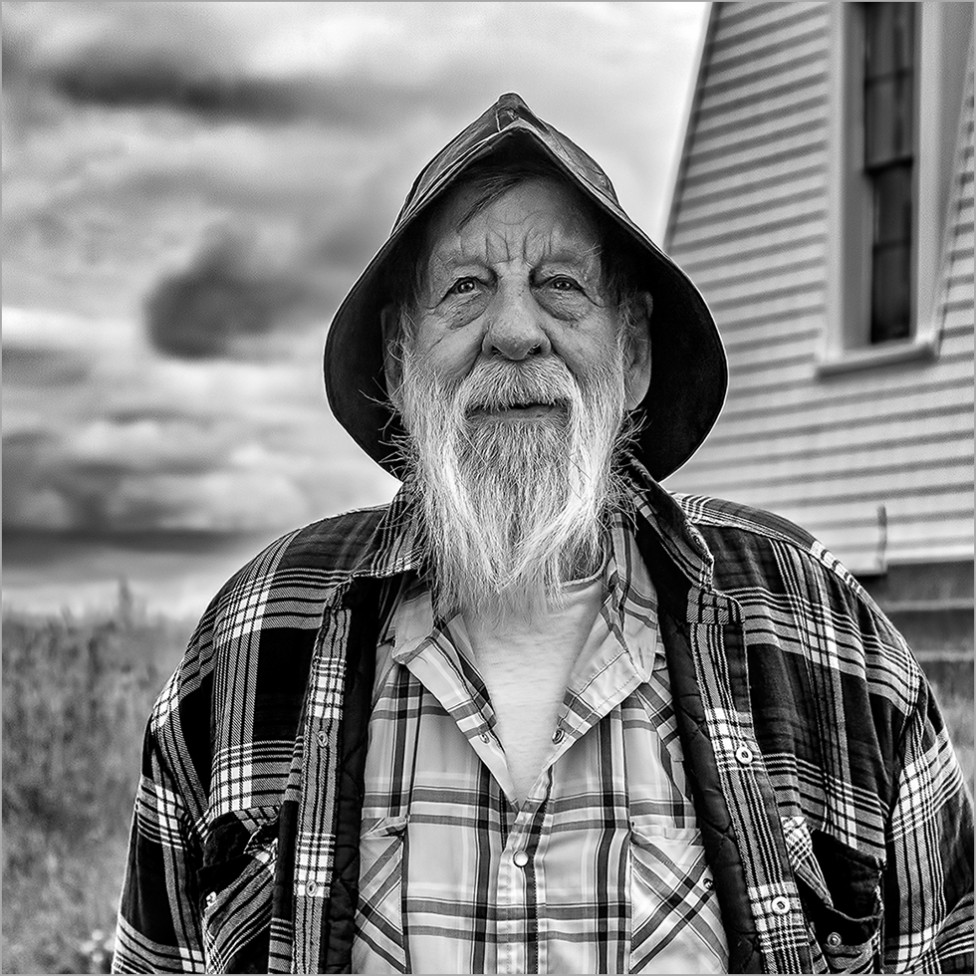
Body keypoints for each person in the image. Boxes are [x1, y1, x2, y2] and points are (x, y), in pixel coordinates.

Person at [112, 93, 973, 975]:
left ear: (632, 355)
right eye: (464, 289)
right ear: (402, 362)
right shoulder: (256, 641)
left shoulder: (819, 632)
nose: (516, 333)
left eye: (561, 287)